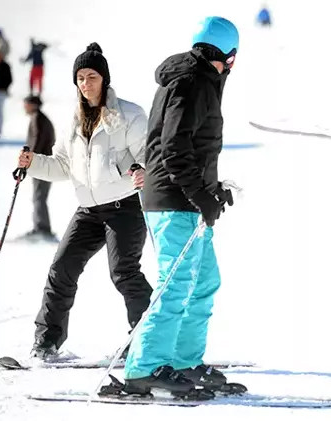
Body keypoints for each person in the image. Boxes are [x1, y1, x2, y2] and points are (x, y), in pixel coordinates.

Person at [122, 16, 243, 397]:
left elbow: (190, 145)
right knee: (175, 285)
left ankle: (183, 362)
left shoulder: (197, 80)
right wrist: (200, 195)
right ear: (229, 55)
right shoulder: (193, 82)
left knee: (204, 281)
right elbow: (173, 149)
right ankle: (144, 368)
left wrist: (212, 189)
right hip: (174, 201)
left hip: (185, 198)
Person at [16, 43, 153, 360]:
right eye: (80, 77)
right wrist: (33, 162)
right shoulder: (73, 120)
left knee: (124, 273)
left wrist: (142, 170)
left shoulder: (129, 115)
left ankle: (148, 341)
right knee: (61, 270)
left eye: (92, 76)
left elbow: (151, 157)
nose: (86, 83)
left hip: (124, 207)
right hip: (88, 211)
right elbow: (64, 166)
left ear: (104, 79)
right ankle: (46, 343)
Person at [22, 95, 57, 240]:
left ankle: (42, 228)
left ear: (33, 105)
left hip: (41, 164)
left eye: (26, 104)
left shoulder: (38, 118)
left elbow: (37, 140)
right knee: (39, 196)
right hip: (42, 163)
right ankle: (40, 226)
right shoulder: (39, 117)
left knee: (39, 196)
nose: (24, 107)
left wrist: (29, 159)